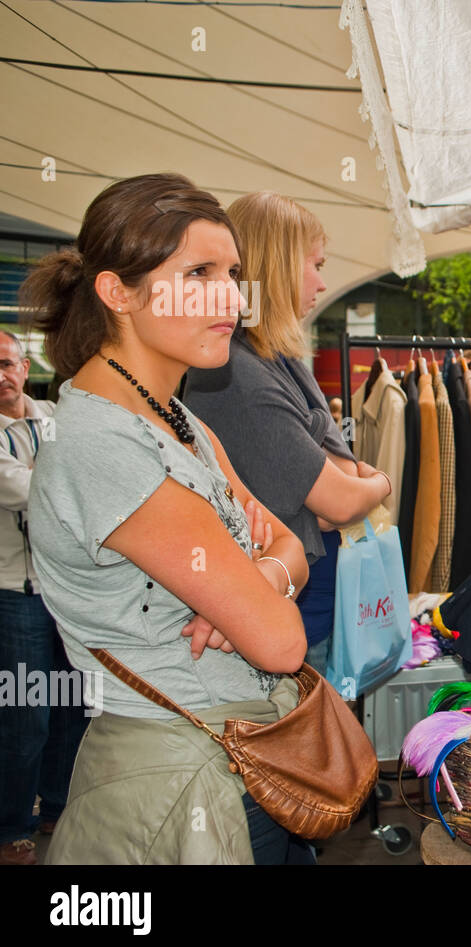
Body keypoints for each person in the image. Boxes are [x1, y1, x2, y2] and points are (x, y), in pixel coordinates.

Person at [22, 174, 314, 864]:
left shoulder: (177, 420)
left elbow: (291, 543)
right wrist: (258, 584)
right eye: (200, 272)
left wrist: (257, 575)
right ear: (117, 292)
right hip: (180, 782)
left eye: (233, 274)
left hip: (237, 761)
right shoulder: (105, 444)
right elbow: (280, 644)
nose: (234, 299)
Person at [183, 192, 391, 674]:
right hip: (286, 609)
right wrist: (379, 482)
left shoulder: (276, 361)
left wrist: (350, 483)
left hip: (307, 597)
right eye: (314, 264)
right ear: (278, 265)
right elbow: (338, 502)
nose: (322, 281)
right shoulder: (238, 372)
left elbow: (333, 485)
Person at [0, 330, 89, 865]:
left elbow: (86, 475)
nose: (1, 376)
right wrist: (60, 477)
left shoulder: (54, 415)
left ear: (24, 364)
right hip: (17, 596)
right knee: (24, 716)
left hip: (69, 591)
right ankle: (13, 824)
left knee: (75, 706)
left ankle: (57, 805)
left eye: (7, 363)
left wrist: (56, 477)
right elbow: (31, 490)